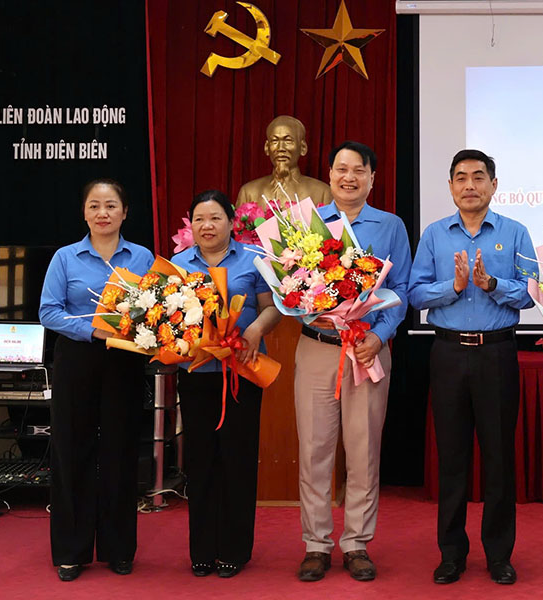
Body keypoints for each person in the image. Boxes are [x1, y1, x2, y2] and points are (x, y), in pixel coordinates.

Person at [409, 149, 536, 586]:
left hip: (497, 353)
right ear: (449, 187)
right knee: (452, 459)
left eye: (478, 177)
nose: (469, 185)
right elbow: (416, 295)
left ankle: (499, 554)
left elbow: (531, 294)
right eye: (460, 177)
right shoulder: (434, 235)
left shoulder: (516, 232)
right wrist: (455, 286)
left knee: (499, 459)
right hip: (447, 354)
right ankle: (452, 553)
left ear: (493, 185)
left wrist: (492, 285)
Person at [294, 141, 411, 583]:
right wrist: (313, 307)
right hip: (318, 347)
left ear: (371, 178)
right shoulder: (307, 225)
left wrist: (379, 337)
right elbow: (292, 286)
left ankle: (357, 542)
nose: (349, 177)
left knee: (363, 452)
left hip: (367, 352)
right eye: (341, 169)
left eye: (358, 170)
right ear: (329, 175)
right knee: (314, 450)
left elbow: (401, 292)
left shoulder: (391, 225)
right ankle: (316, 543)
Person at [39, 179, 154, 581]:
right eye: (94, 206)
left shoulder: (142, 257)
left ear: (125, 212)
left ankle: (119, 549)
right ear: (84, 213)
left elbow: (157, 310)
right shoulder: (65, 258)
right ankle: (71, 551)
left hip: (124, 363)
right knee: (72, 453)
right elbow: (49, 312)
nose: (102, 213)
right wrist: (94, 330)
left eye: (110, 205)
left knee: (121, 454)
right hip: (77, 360)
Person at [171, 190, 282, 578]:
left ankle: (234, 549)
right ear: (191, 224)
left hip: (242, 371)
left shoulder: (253, 260)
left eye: (215, 217)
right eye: (199, 218)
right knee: (200, 462)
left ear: (231, 222)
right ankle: (202, 549)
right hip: (197, 375)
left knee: (237, 460)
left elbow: (273, 309)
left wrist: (254, 329)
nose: (207, 225)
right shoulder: (177, 264)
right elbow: (167, 317)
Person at [236, 115, 331, 208]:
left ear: (303, 148)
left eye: (288, 141)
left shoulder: (322, 192)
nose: (281, 148)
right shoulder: (249, 193)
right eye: (275, 141)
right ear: (267, 148)